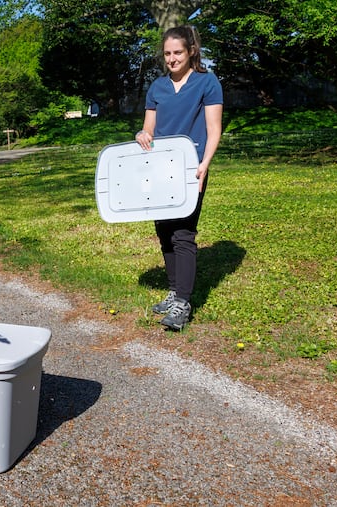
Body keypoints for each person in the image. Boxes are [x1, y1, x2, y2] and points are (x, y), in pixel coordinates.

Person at [135, 25, 223, 331]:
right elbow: (149, 128)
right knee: (164, 231)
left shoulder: (206, 83)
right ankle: (173, 292)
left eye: (178, 53)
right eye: (168, 53)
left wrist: (205, 165)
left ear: (191, 52)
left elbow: (214, 129)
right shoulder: (157, 87)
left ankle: (183, 302)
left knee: (184, 233)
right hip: (159, 169)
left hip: (190, 168)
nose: (172, 59)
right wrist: (141, 135)